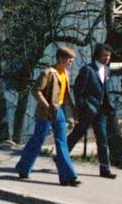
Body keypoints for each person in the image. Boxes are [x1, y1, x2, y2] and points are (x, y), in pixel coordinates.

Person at [17, 46, 80, 186]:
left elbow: (66, 96)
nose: (71, 62)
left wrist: (71, 114)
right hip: (45, 113)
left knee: (62, 142)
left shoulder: (66, 74)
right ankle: (23, 167)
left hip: (59, 111)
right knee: (37, 140)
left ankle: (67, 176)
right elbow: (36, 90)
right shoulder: (48, 73)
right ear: (61, 58)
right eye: (70, 59)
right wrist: (46, 106)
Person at [68, 44, 117, 179]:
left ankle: (105, 169)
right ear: (98, 55)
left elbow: (104, 90)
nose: (107, 58)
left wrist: (108, 106)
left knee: (102, 138)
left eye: (109, 55)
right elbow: (79, 91)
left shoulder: (106, 70)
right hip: (88, 109)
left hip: (101, 111)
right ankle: (62, 157)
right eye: (104, 55)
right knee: (77, 135)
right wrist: (81, 107)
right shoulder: (88, 70)